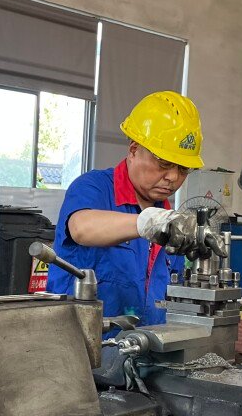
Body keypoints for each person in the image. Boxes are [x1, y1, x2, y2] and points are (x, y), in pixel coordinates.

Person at [46, 91, 208, 326]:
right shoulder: (94, 188)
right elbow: (82, 228)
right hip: (82, 342)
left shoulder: (170, 221)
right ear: (133, 150)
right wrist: (149, 222)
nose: (173, 177)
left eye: (183, 169)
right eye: (164, 163)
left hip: (146, 343)